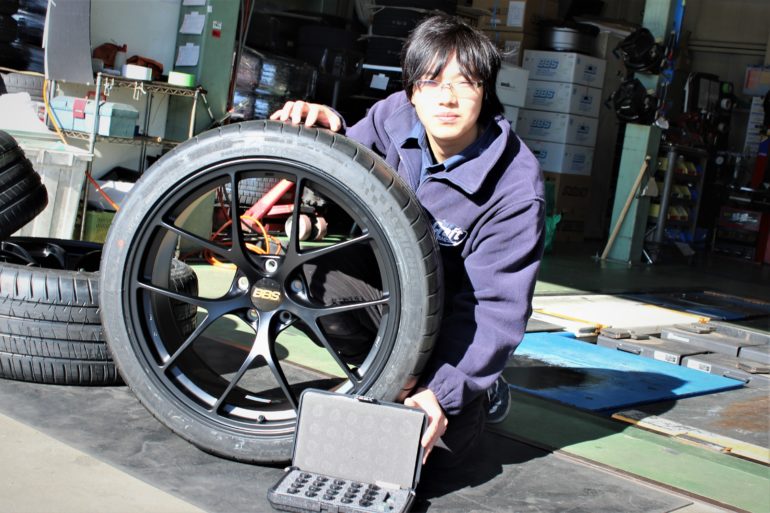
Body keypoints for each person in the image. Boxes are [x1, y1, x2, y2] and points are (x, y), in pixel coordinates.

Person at [271, 14, 544, 473]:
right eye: (431, 81)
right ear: (412, 89)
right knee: (306, 279)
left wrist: (443, 391)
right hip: (389, 294)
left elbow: (496, 308)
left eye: (465, 82)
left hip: (453, 326)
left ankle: (478, 383)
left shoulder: (514, 189)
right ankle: (383, 377)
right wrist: (325, 136)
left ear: (486, 90)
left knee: (431, 455)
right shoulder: (393, 116)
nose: (447, 97)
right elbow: (344, 172)